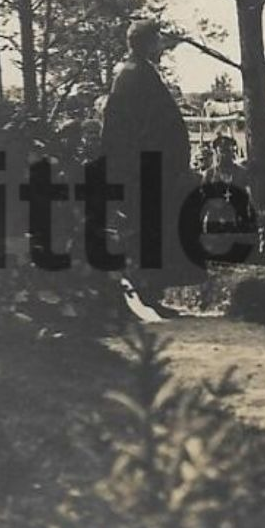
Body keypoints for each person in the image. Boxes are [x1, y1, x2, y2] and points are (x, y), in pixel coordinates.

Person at [99, 19, 200, 318]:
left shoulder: (138, 72)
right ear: (146, 42)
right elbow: (121, 129)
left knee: (154, 230)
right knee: (145, 231)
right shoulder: (133, 75)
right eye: (157, 40)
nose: (161, 46)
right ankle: (143, 294)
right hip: (143, 170)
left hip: (153, 168)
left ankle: (151, 293)